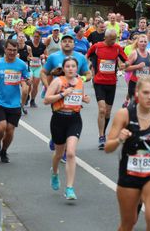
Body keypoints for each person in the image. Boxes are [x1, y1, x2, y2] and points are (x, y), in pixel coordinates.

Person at [104, 76, 150, 231]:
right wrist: (119, 140)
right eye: (146, 93)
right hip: (129, 175)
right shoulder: (125, 115)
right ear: (137, 93)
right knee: (128, 223)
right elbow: (108, 147)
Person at [43, 57, 90, 200]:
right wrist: (63, 94)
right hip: (58, 119)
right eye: (68, 66)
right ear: (64, 69)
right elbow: (46, 100)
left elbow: (79, 97)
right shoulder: (58, 81)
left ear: (77, 69)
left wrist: (84, 99)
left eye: (73, 66)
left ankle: (69, 188)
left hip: (74, 119)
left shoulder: (80, 82)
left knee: (70, 153)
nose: (70, 68)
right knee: (58, 154)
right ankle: (55, 172)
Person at [0, 40, 31, 163]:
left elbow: (26, 78)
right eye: (9, 49)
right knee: (1, 128)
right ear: (5, 49)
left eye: (14, 50)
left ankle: (4, 151)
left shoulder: (21, 65)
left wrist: (27, 82)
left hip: (15, 103)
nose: (12, 52)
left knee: (9, 131)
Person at [86, 29, 129, 150]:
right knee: (102, 110)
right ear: (105, 37)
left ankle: (103, 132)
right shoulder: (96, 47)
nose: (113, 41)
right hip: (99, 82)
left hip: (111, 83)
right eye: (111, 39)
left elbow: (126, 61)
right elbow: (87, 56)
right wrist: (89, 70)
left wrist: (124, 65)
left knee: (108, 112)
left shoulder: (117, 48)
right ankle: (101, 136)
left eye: (115, 39)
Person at [125, 34, 150, 103]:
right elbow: (126, 68)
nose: (143, 43)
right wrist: (137, 66)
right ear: (137, 42)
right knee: (134, 105)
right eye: (141, 41)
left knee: (144, 104)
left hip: (146, 84)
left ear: (147, 43)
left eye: (145, 42)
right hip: (135, 83)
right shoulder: (134, 53)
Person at [26, 31, 47, 107]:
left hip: (38, 66)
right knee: (29, 82)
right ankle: (27, 96)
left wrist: (43, 56)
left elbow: (46, 55)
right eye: (35, 36)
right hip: (29, 66)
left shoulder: (42, 45)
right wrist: (27, 57)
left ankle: (32, 100)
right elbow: (23, 52)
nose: (36, 38)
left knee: (35, 84)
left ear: (40, 37)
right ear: (32, 36)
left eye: (38, 37)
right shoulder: (28, 43)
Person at [16, 33, 32, 115]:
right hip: (15, 72)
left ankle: (22, 106)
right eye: (19, 37)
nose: (21, 38)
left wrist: (29, 58)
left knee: (25, 91)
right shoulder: (14, 47)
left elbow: (31, 57)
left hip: (24, 72)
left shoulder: (28, 48)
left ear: (25, 38)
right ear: (17, 38)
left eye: (23, 37)